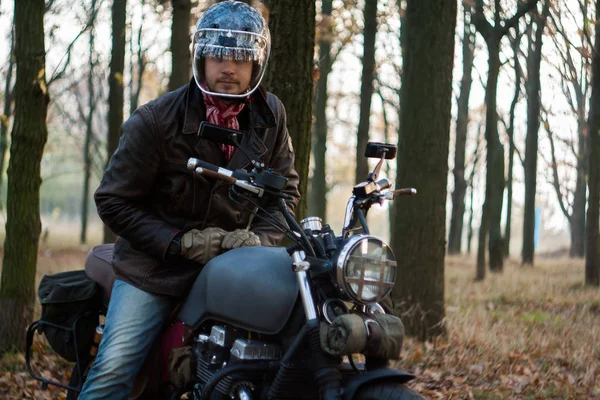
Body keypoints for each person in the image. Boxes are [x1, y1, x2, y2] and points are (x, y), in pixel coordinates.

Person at [79, 2, 300, 398]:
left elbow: (284, 192)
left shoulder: (272, 115)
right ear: (200, 57)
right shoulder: (156, 120)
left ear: (256, 63)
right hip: (154, 269)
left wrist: (258, 242)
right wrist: (181, 242)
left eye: (240, 57)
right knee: (114, 371)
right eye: (217, 55)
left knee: (280, 358)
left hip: (233, 266)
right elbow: (112, 202)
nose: (227, 67)